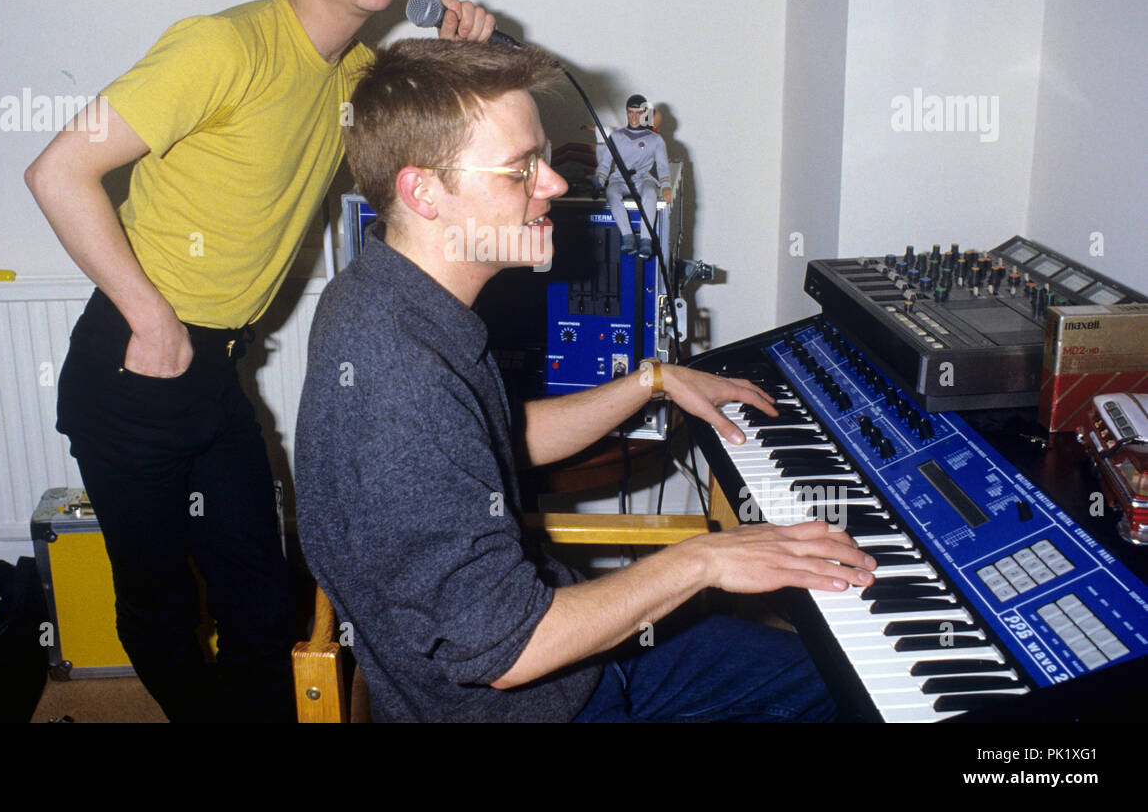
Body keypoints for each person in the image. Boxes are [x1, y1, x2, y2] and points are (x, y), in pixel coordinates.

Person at [23, 0, 493, 722]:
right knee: (160, 605)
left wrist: (463, 59)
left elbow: (428, 167)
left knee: (265, 599)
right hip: (132, 364)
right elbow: (57, 171)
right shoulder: (222, 45)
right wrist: (149, 313)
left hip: (216, 372)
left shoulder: (352, 78)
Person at [294, 39, 876, 723]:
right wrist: (703, 560)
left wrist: (651, 381)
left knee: (839, 684)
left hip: (580, 664)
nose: (556, 184)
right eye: (520, 170)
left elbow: (495, 438)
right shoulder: (401, 381)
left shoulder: (382, 292)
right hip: (536, 700)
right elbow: (507, 650)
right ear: (423, 190)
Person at [594, 94, 671, 259]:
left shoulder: (655, 140)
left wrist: (666, 187)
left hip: (642, 179)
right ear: (626, 113)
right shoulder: (616, 137)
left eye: (638, 112)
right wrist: (599, 180)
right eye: (630, 112)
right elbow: (605, 163)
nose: (634, 117)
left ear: (645, 113)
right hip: (620, 179)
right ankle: (627, 237)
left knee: (650, 194)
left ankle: (645, 240)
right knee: (612, 194)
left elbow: (663, 167)